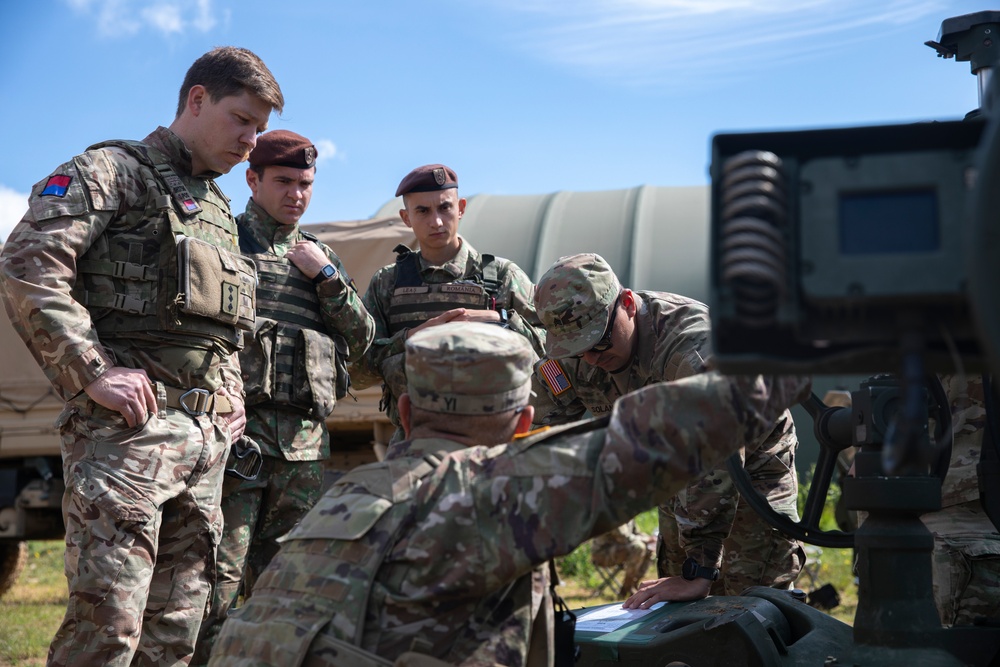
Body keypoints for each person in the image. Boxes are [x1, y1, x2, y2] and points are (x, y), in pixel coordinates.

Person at [208, 322, 810, 667]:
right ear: (525, 424)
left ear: (409, 414)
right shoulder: (485, 495)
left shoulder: (344, 496)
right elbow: (668, 433)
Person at [0, 47, 283, 667]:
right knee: (107, 631)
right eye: (241, 119)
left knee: (175, 637)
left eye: (259, 128)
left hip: (204, 447)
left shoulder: (216, 211)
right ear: (197, 99)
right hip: (127, 442)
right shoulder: (112, 171)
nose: (251, 141)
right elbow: (28, 268)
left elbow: (225, 326)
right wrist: (92, 372)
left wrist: (230, 394)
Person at [192, 130, 375, 664]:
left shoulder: (321, 258)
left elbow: (362, 342)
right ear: (252, 179)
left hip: (303, 455)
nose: (296, 194)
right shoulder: (224, 243)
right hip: (236, 447)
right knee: (216, 588)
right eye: (284, 182)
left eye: (305, 184)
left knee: (293, 593)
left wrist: (328, 280)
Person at [529, 253, 804, 606]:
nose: (592, 359)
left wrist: (700, 568)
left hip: (750, 470)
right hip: (677, 475)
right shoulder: (579, 349)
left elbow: (717, 456)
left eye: (598, 342)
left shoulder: (693, 349)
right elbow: (533, 422)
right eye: (578, 350)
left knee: (752, 602)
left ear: (627, 304)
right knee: (678, 614)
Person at [349, 164, 546, 443]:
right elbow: (357, 373)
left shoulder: (502, 276)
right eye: (423, 211)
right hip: (413, 439)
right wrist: (412, 338)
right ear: (406, 217)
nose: (437, 222)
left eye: (445, 208)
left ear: (461, 208)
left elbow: (552, 352)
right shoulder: (387, 284)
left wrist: (502, 320)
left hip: (493, 438)